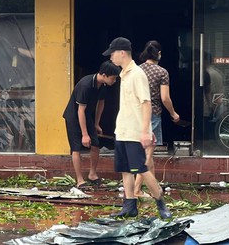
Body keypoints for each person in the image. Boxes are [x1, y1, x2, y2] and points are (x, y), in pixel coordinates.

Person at [103, 37, 172, 219]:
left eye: (112, 53)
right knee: (125, 169)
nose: (111, 57)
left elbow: (146, 103)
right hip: (122, 130)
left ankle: (161, 203)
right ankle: (129, 205)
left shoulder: (137, 74)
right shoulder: (124, 74)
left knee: (141, 169)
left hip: (135, 132)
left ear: (122, 53)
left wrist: (145, 131)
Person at [62, 60, 121, 189]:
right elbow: (80, 111)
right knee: (76, 148)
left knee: (95, 145)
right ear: (104, 75)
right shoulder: (85, 85)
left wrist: (96, 123)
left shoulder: (103, 85)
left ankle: (92, 174)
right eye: (113, 78)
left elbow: (101, 103)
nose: (115, 81)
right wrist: (84, 134)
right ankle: (79, 180)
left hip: (87, 116)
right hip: (74, 117)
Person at [133, 40, 180, 197]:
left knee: (147, 154)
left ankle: (154, 188)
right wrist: (173, 114)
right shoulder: (161, 72)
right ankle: (137, 189)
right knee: (147, 155)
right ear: (158, 54)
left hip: (136, 113)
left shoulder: (137, 70)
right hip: (152, 114)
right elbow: (165, 98)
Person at [200, 51, 224, 142]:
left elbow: (211, 92)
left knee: (206, 133)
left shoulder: (209, 73)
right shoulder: (216, 72)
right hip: (214, 104)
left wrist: (211, 106)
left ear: (205, 60)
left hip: (209, 105)